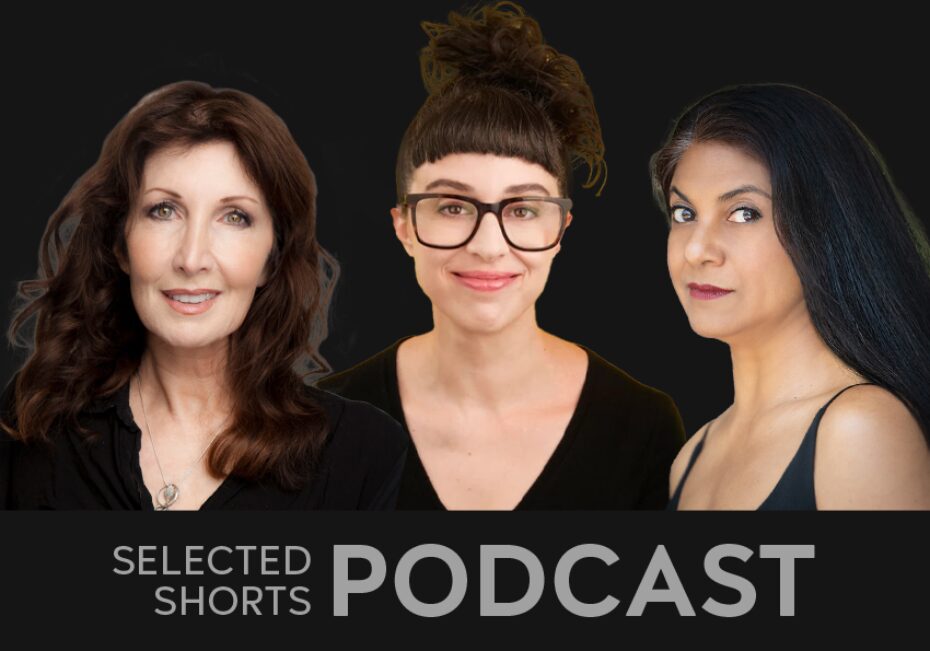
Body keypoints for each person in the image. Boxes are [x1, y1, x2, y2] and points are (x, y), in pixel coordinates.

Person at [317, 2, 685, 510]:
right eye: (451, 206)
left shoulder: (643, 426)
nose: (488, 246)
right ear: (403, 227)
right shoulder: (323, 422)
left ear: (561, 230)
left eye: (523, 210)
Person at [0, 81, 407, 510]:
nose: (192, 259)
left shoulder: (360, 454)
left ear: (272, 256)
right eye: (163, 210)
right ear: (120, 244)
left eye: (235, 216)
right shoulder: (32, 422)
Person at [653, 83, 930, 510]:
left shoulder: (860, 430)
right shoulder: (692, 457)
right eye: (684, 214)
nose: (696, 250)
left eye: (745, 213)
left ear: (823, 228)